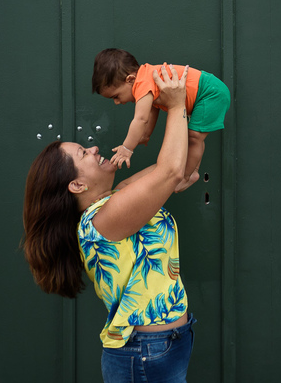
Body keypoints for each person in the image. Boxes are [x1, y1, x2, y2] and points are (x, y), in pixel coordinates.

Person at [23, 63, 195, 383]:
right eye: (82, 153)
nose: (94, 148)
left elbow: (175, 170)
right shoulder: (101, 221)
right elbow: (170, 172)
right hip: (145, 353)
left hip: (166, 345)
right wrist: (174, 106)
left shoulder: (116, 198)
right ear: (77, 185)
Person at [91, 48, 229, 193]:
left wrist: (127, 148)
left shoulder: (142, 82)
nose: (117, 102)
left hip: (211, 93)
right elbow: (153, 109)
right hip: (209, 91)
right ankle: (192, 171)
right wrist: (145, 135)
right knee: (195, 136)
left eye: (116, 96)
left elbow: (141, 119)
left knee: (194, 137)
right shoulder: (147, 79)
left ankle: (186, 176)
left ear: (130, 80)